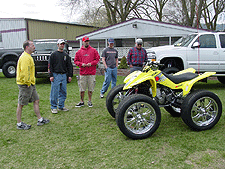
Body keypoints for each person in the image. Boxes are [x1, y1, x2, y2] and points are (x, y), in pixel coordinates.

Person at [16, 40, 49, 130]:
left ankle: (40, 119)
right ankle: (19, 124)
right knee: (21, 104)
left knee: (36, 100)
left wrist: (31, 82)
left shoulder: (28, 56)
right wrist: (27, 83)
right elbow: (24, 72)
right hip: (25, 85)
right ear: (27, 47)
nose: (34, 47)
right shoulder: (25, 58)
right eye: (32, 45)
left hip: (31, 84)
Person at [48, 39, 73, 114]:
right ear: (57, 45)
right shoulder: (53, 55)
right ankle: (54, 107)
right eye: (60, 44)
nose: (62, 45)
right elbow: (50, 66)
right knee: (54, 92)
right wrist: (51, 75)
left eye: (63, 44)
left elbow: (69, 66)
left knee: (63, 92)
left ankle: (61, 106)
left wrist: (69, 76)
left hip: (64, 75)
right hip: (56, 75)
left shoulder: (66, 55)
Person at [74, 36, 100, 107]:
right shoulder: (79, 52)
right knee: (82, 88)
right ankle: (82, 101)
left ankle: (89, 101)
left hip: (91, 73)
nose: (86, 42)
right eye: (85, 41)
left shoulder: (93, 50)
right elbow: (75, 61)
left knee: (91, 88)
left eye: (87, 41)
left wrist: (91, 63)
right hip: (83, 73)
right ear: (82, 42)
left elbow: (97, 59)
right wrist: (81, 64)